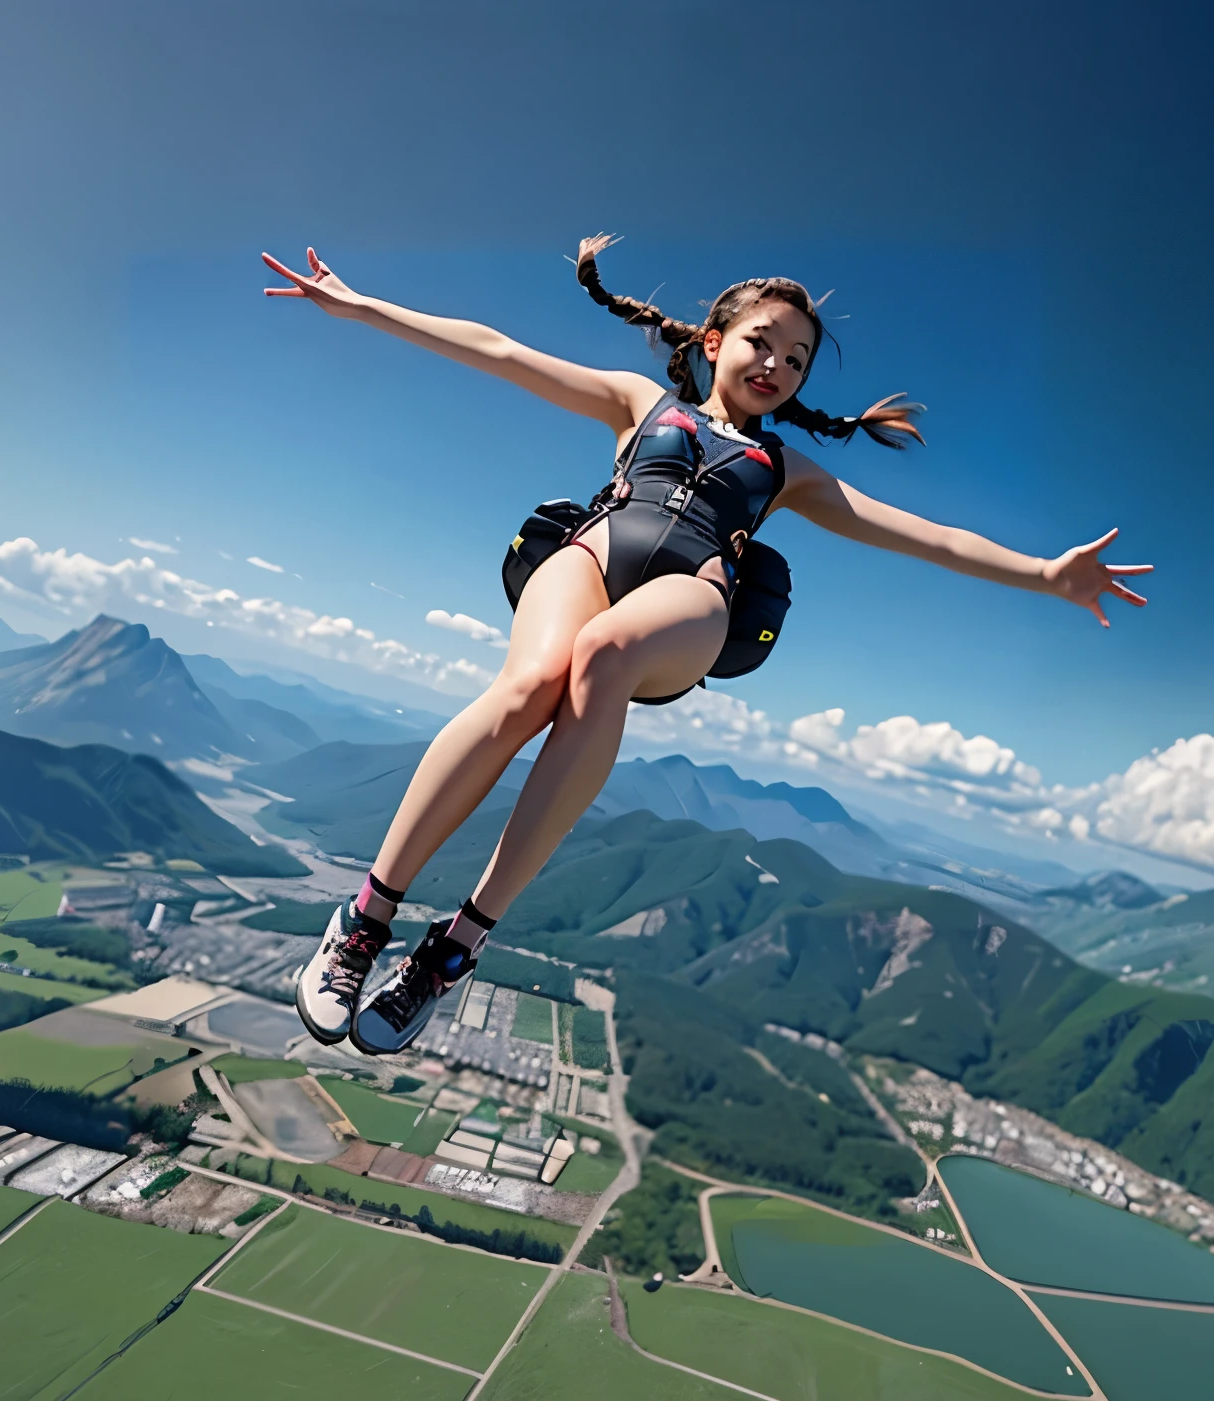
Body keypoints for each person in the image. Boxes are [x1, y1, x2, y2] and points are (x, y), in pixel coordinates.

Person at [262, 236, 1152, 1056]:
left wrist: (1046, 574)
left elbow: (924, 535)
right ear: (716, 339)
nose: (779, 365)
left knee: (603, 652)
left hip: (691, 603)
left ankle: (454, 948)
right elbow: (501, 351)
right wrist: (366, 305)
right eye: (764, 341)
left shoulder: (787, 472)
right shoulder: (639, 403)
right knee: (532, 680)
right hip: (595, 551)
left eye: (797, 359)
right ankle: (366, 920)